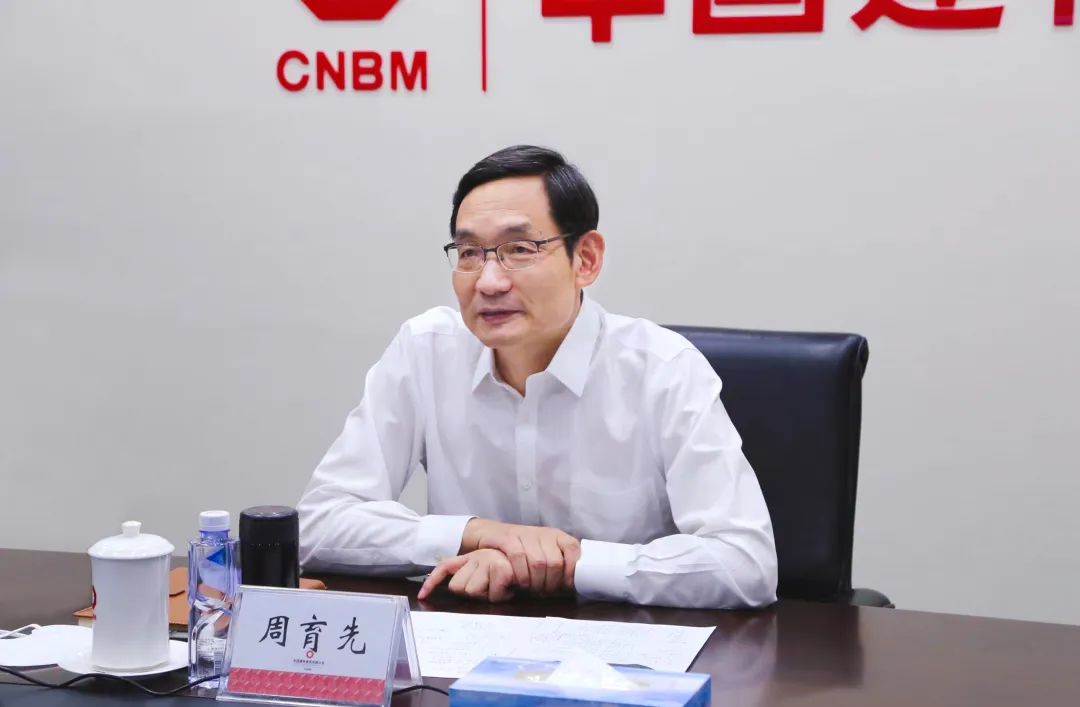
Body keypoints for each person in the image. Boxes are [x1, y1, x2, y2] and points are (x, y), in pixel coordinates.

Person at [297, 145, 777, 609]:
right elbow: (317, 525)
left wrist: (570, 565)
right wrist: (477, 535)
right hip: (467, 638)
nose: (488, 281)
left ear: (585, 260)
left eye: (519, 249)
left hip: (626, 646)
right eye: (470, 253)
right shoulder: (426, 350)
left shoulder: (663, 368)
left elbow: (744, 563)